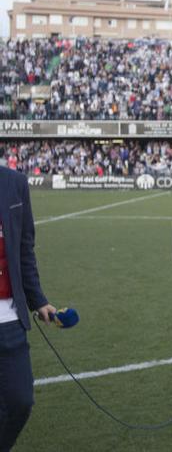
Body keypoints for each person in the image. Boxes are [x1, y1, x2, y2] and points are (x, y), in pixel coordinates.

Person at [0, 165, 56, 451]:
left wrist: (37, 300)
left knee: (20, 401)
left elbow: (24, 248)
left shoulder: (15, 183)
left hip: (9, 316)